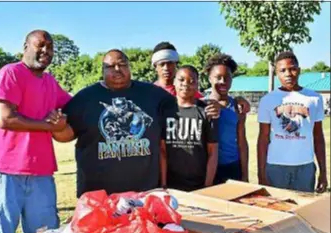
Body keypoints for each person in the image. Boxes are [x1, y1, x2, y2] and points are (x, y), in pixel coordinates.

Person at [53, 49, 219, 198]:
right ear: (102, 70)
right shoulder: (85, 98)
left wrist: (215, 104)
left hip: (145, 193)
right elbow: (66, 135)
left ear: (129, 67)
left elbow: (186, 101)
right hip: (99, 194)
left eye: (122, 64)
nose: (117, 70)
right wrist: (58, 128)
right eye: (111, 66)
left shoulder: (153, 94)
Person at [0, 30, 72, 233]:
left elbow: (73, 106)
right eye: (40, 45)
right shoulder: (10, 73)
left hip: (41, 171)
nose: (46, 51)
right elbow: (6, 118)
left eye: (50, 48)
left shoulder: (50, 82)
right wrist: (49, 126)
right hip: (7, 172)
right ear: (25, 46)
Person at [257, 51, 328, 193]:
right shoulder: (268, 100)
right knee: (277, 210)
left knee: (303, 211)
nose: (288, 74)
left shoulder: (314, 98)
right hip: (276, 166)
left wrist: (323, 172)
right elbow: (263, 139)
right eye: (283, 70)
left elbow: (318, 137)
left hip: (305, 167)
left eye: (292, 69)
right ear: (277, 74)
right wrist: (261, 173)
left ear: (299, 70)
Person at [151, 41, 251, 115]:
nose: (166, 68)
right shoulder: (148, 92)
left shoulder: (190, 92)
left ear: (176, 64)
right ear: (155, 66)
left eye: (170, 63)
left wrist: (237, 100)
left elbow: (213, 104)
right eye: (162, 64)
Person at [160, 65, 219, 191]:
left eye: (191, 81)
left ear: (197, 84)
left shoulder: (207, 111)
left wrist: (207, 186)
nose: (185, 84)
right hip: (172, 184)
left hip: (200, 184)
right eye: (181, 80)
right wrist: (164, 184)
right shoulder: (165, 111)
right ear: (174, 82)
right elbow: (163, 152)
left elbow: (213, 153)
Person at [205, 54, 249, 184]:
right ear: (209, 79)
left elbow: (242, 142)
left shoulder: (238, 106)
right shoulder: (201, 105)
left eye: (227, 77)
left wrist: (245, 174)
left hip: (232, 167)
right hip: (207, 168)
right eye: (218, 77)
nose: (223, 81)